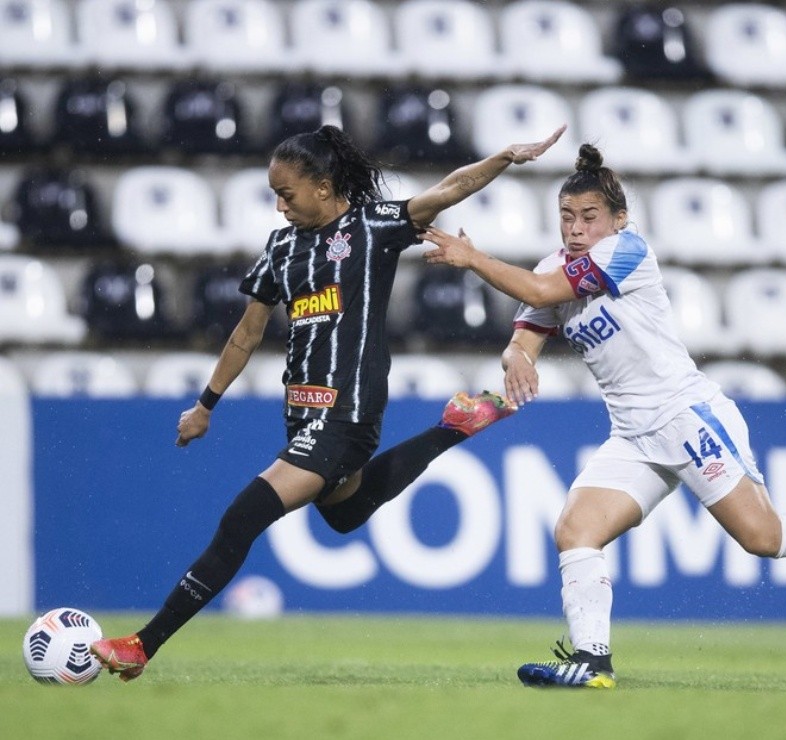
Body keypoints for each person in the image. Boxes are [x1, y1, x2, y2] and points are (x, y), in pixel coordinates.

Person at [421, 143, 786, 689]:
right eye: (567, 217)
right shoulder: (551, 266)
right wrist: (516, 360)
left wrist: (474, 258)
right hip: (633, 435)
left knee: (763, 537)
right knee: (575, 529)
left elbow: (541, 291)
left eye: (589, 217)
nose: (576, 229)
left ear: (618, 219)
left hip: (688, 418)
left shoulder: (626, 252)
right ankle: (593, 661)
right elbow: (526, 335)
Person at [89, 123, 565, 681]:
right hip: (302, 415)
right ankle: (454, 426)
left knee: (241, 519)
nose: (279, 204)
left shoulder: (371, 227)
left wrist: (504, 157)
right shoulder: (281, 248)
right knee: (343, 514)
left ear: (321, 185)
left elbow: (448, 190)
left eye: (286, 193)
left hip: (347, 414)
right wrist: (205, 405)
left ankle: (142, 645)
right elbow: (246, 335)